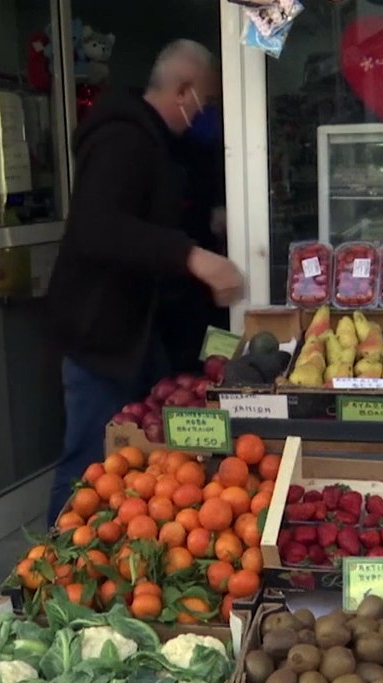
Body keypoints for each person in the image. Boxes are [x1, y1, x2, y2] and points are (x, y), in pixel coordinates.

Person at [46, 40, 244, 522]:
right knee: (90, 465)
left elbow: (152, 218)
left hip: (141, 333)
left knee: (141, 466)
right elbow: (98, 227)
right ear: (185, 91)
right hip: (102, 336)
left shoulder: (163, 143)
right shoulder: (124, 139)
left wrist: (207, 223)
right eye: (209, 101)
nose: (209, 112)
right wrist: (191, 255)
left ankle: (115, 567)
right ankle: (47, 573)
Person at [161, 101, 229, 374]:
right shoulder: (187, 143)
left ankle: (205, 373)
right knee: (196, 332)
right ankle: (201, 375)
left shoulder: (193, 135)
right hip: (191, 262)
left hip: (200, 255)